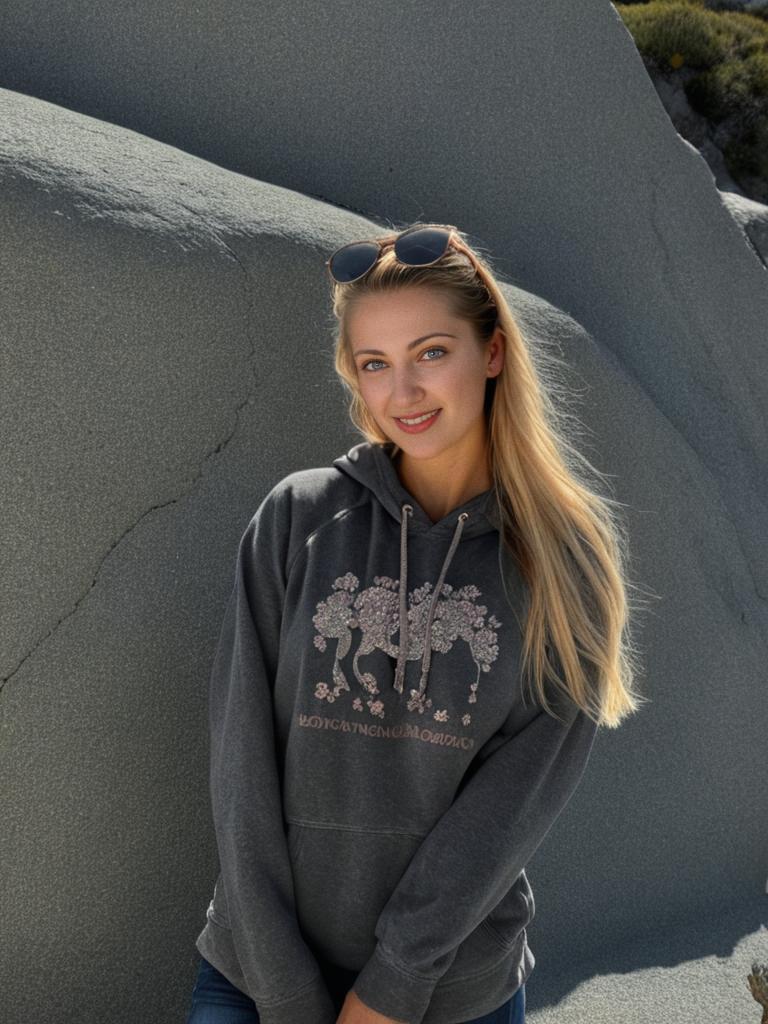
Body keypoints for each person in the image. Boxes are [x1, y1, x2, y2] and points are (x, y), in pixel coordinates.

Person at [185, 223, 646, 1024]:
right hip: (258, 972)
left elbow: (507, 814)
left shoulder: (565, 563)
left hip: (449, 994)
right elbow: (239, 766)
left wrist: (389, 991)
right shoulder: (298, 518)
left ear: (492, 352)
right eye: (375, 365)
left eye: (431, 353)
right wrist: (288, 994)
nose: (403, 393)